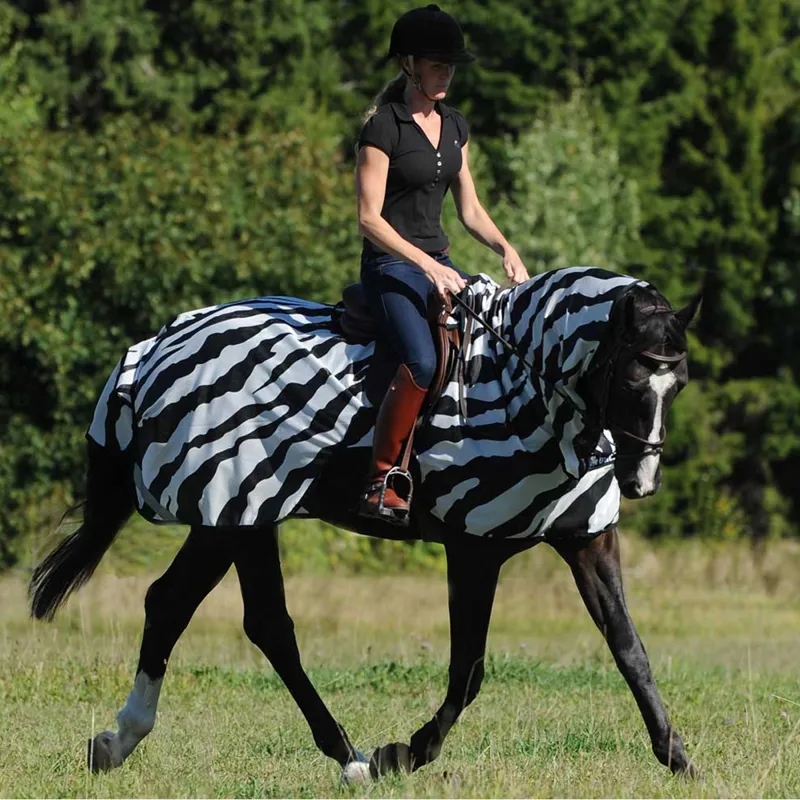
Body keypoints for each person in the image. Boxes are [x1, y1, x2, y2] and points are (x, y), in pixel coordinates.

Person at [356, 3, 529, 524]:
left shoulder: (456, 125)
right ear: (408, 64)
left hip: (444, 263)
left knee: (490, 355)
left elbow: (470, 209)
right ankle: (382, 479)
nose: (446, 74)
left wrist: (505, 247)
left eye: (451, 66)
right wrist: (426, 266)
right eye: (437, 65)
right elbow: (369, 219)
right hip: (391, 266)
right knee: (424, 361)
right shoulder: (383, 127)